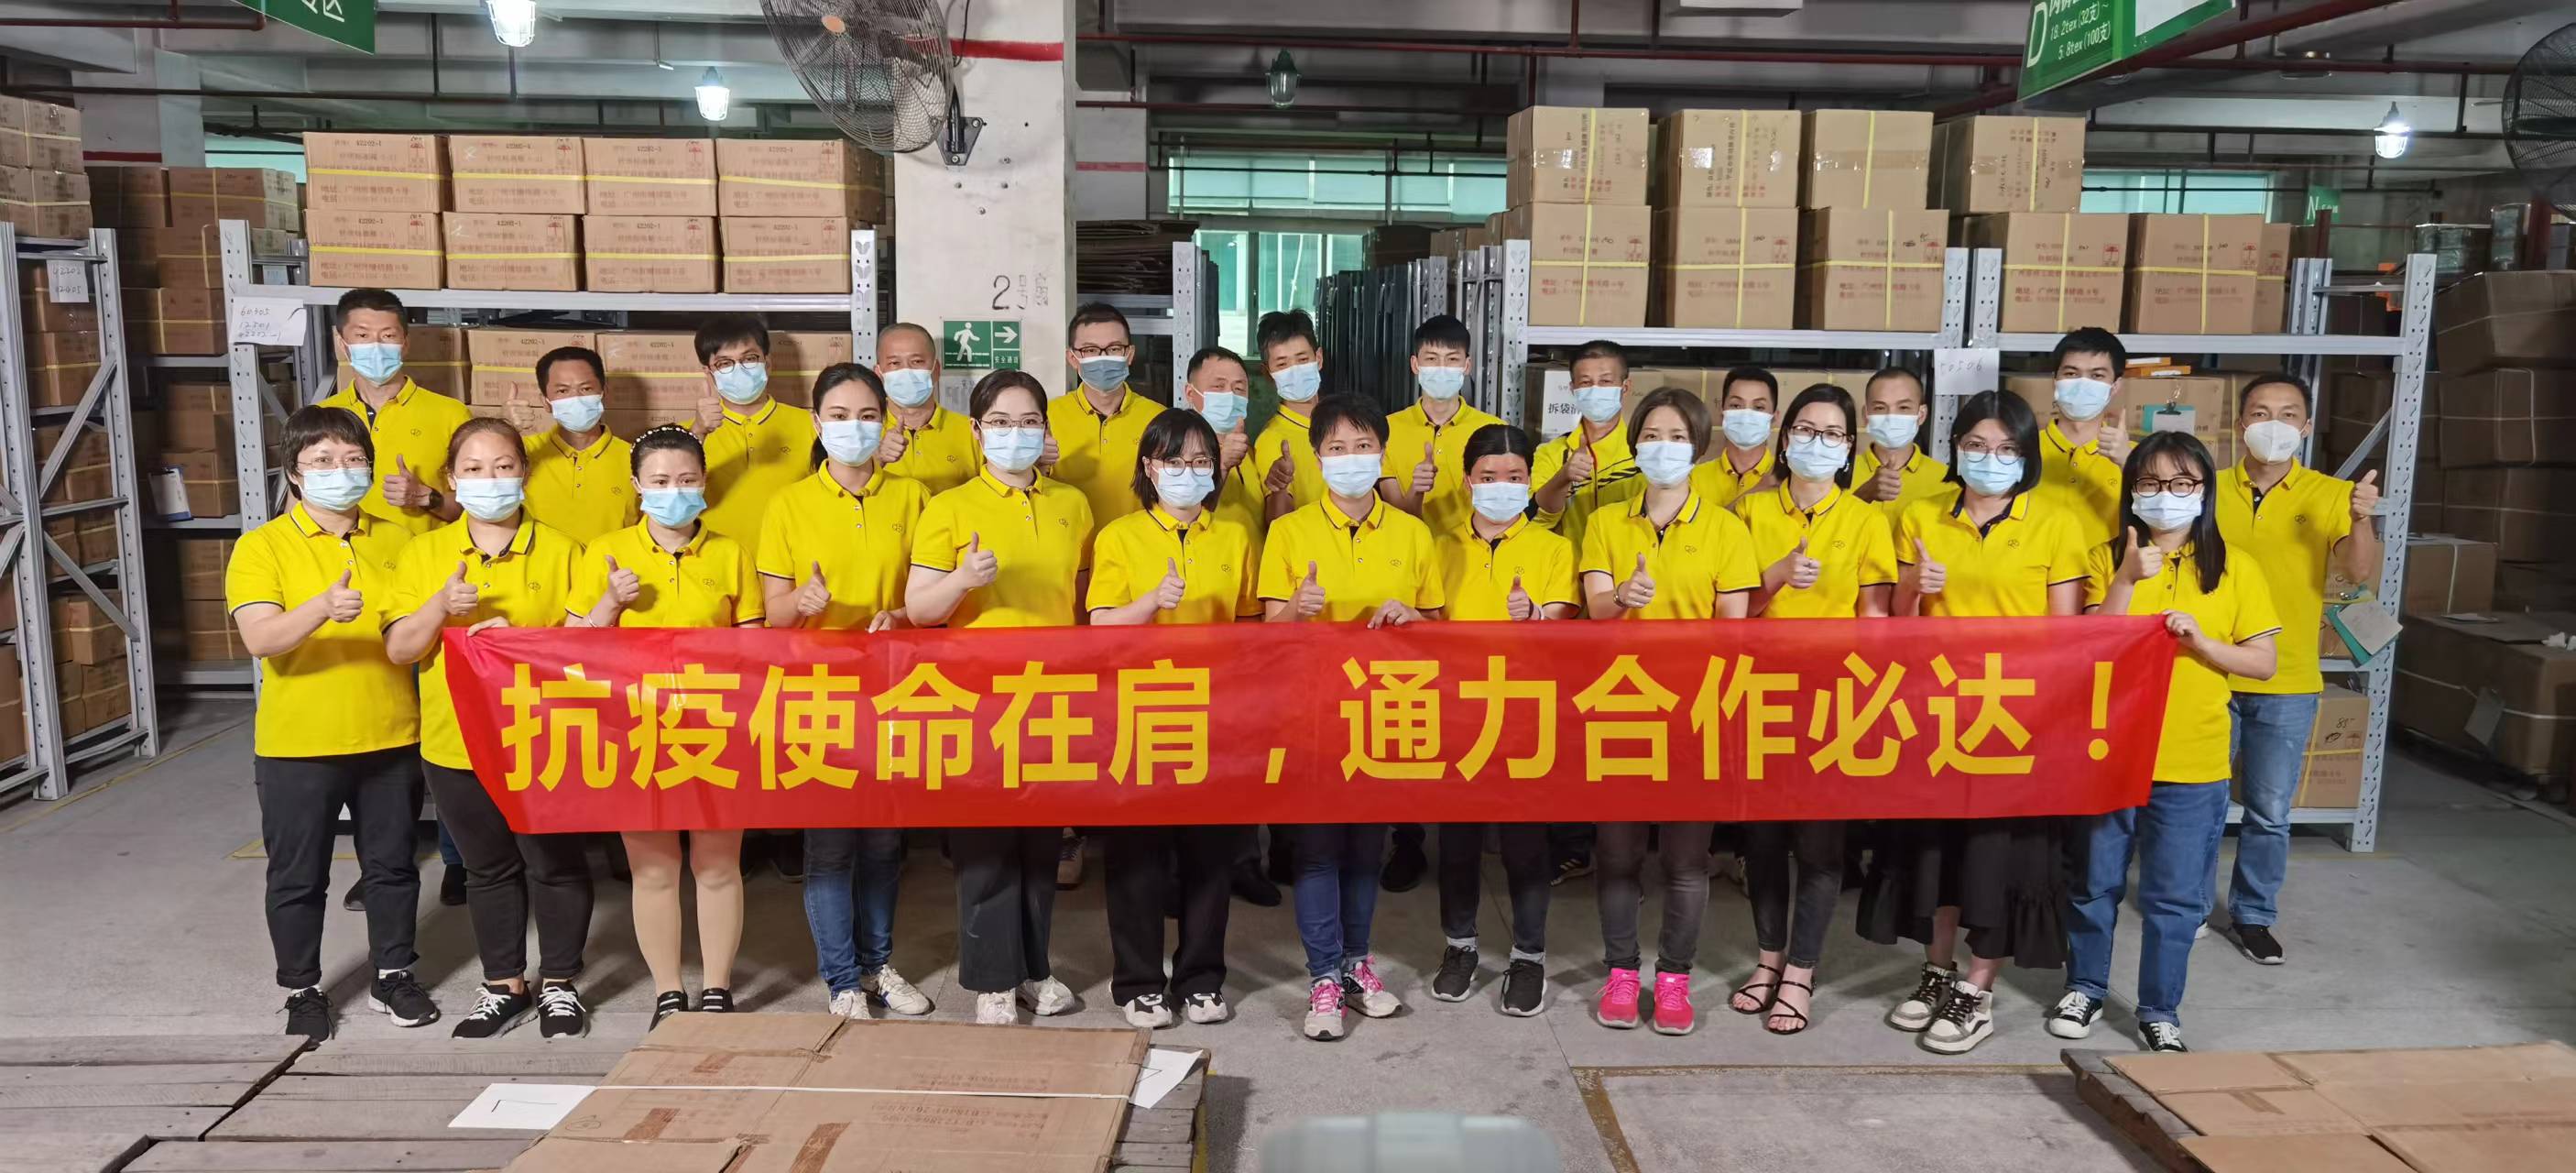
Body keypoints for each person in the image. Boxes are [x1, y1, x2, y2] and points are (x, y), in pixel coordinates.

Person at [1862, 390, 2088, 1057]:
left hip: (2015, 718)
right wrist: (1915, 587)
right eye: (1977, 446)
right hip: (1935, 713)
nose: (1992, 459)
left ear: (2027, 455)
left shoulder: (2057, 523)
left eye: (2008, 449)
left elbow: (2067, 634)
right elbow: (1896, 623)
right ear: (1955, 449)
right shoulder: (1920, 516)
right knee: (1937, 850)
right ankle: (1937, 969)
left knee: (1998, 856)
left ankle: (1978, 989)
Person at [2058, 432, 2281, 1054]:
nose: (2167, 495)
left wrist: (2203, 643)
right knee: (2094, 883)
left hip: (2193, 758)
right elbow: (2084, 649)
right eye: (2152, 483)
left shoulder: (2235, 567)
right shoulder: (2105, 558)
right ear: (2132, 490)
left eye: (2183, 483)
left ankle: (2160, 1009)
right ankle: (2084, 987)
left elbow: (2263, 663)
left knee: (2175, 898)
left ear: (2204, 491)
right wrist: (2127, 581)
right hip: (2108, 755)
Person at [226, 405, 437, 1043]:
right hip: (299, 745)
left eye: (352, 459)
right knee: (298, 875)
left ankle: (393, 975)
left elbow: (412, 630)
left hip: (391, 734)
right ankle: (302, 989)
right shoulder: (262, 547)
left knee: (392, 868)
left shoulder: (398, 540)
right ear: (294, 473)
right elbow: (261, 638)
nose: (340, 471)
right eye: (322, 460)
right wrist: (319, 607)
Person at [382, 418, 592, 1040]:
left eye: (503, 466)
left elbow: (587, 651)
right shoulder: (424, 554)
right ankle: (504, 984)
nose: (490, 480)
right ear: (451, 480)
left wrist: (522, 643)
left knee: (554, 863)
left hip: (545, 738)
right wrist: (440, 607)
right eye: (473, 469)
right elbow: (400, 648)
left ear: (524, 473)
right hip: (457, 741)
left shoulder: (564, 551)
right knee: (488, 868)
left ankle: (560, 983)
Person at [905, 370, 1096, 1025]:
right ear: (977, 430)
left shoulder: (1072, 503)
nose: (1017, 434)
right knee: (986, 844)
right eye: (1002, 423)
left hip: (1051, 693)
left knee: (1042, 844)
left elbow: (1079, 599)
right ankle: (991, 978)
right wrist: (962, 578)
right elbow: (919, 609)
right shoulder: (950, 508)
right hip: (976, 697)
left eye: (1030, 422)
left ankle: (1036, 969)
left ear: (1046, 429)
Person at [1256, 393, 1444, 1041]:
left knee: (1367, 849)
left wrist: (1414, 617)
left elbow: (1438, 625)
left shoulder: (1413, 533)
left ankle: (1357, 962)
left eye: (1363, 446)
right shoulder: (1289, 531)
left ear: (1382, 454)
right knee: (1316, 852)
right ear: (1318, 458)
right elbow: (1266, 635)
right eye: (1337, 448)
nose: (1351, 458)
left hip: (1384, 710)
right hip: (1310, 712)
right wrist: (1297, 609)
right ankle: (1323, 978)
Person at [754, 364, 937, 1023]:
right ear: (816, 422)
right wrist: (800, 603)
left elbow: (930, 596)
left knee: (884, 843)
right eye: (838, 415)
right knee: (831, 846)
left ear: (885, 422)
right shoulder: (788, 504)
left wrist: (904, 616)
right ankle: (841, 980)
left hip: (894, 689)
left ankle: (877, 964)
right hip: (819, 695)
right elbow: (771, 614)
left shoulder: (914, 497)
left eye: (866, 416)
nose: (853, 428)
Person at [1577, 387, 1760, 1037]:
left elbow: (1733, 631)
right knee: (1618, 854)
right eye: (1651, 436)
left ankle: (1675, 977)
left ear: (1699, 446)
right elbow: (1596, 609)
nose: (1663, 448)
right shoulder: (1606, 522)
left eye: (1677, 437)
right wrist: (1624, 597)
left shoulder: (1726, 530)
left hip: (1696, 715)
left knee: (1685, 861)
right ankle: (1622, 972)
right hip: (1621, 710)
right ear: (1634, 447)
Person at [568, 425, 765, 1025]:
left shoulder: (731, 554)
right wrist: (610, 604)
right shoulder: (605, 551)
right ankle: (668, 992)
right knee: (653, 869)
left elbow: (754, 648)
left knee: (717, 865)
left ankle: (718, 988)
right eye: (659, 481)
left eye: (686, 479)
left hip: (716, 729)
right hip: (636, 733)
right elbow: (569, 650)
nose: (673, 491)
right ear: (636, 485)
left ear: (704, 483)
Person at [1726, 385, 1895, 1037]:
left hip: (1833, 700)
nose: (1816, 443)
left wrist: (1863, 696)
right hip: (1758, 695)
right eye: (1804, 429)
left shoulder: (1865, 521)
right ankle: (1768, 959)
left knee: (1821, 846)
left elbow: (1875, 618)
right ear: (1784, 436)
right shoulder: (1749, 511)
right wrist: (1775, 575)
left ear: (1849, 447)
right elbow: (1731, 611)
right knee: (1763, 842)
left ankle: (1801, 970)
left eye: (1831, 434)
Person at [1088, 410, 1263, 1029]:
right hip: (1138, 714)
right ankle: (1138, 982)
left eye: (1200, 461)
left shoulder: (1235, 536)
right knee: (1136, 855)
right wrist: (1149, 604)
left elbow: (1251, 627)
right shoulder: (1119, 537)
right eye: (1173, 461)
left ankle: (1201, 978)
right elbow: (1099, 626)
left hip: (1214, 717)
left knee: (1210, 855)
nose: (1188, 472)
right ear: (1149, 467)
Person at [2213, 373, 2380, 966]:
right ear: (2240, 424)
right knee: (2200, 804)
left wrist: (2361, 518)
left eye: (2288, 414)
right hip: (2209, 669)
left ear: (2306, 427)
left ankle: (2254, 916)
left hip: (2287, 679)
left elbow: (2358, 572)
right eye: (2261, 412)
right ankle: (2189, 904)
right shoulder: (2207, 487)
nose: (2273, 425)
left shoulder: (2331, 494)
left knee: (2269, 811)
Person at [1427, 422, 1577, 1017]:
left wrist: (1534, 615)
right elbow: (1425, 626)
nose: (1501, 486)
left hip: (1525, 715)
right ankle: (1460, 946)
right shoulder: (1439, 546)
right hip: (1457, 715)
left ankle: (1528, 955)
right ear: (1468, 482)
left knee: (1525, 846)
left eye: (1515, 477)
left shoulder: (1553, 548)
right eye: (1489, 476)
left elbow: (1565, 633)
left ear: (1530, 482)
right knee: (1457, 844)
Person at [1376, 313, 1501, 892]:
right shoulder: (1389, 430)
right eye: (1432, 359)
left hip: (1475, 578)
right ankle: (1407, 839)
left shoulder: (1492, 430)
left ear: (1468, 366)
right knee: (1411, 711)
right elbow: (1389, 515)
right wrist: (1414, 495)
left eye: (1453, 360)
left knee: (1470, 707)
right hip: (1411, 581)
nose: (1442, 369)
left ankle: (1467, 825)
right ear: (1414, 365)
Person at [316, 289, 470, 537]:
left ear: (405, 344)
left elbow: (477, 508)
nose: (376, 347)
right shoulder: (321, 417)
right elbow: (298, 504)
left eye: (388, 336)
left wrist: (427, 497)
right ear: (342, 344)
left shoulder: (451, 414)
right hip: (342, 558)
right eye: (362, 335)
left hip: (421, 557)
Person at [694, 312, 821, 547]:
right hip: (714, 563)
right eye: (725, 363)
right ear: (708, 373)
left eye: (750, 359)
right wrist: (698, 433)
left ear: (768, 364)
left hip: (790, 562)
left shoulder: (812, 426)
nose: (740, 369)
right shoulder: (687, 436)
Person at [510, 345, 638, 546]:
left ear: (604, 393)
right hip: (540, 566)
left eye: (586, 389)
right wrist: (505, 427)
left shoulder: (636, 458)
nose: (576, 398)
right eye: (562, 391)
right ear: (545, 402)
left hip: (611, 566)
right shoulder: (521, 452)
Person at [1053, 301, 1165, 528]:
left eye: (1114, 349)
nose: (1103, 358)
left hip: (1136, 546)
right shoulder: (1045, 417)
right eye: (1091, 350)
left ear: (1129, 354)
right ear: (1073, 358)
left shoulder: (1159, 419)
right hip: (1069, 548)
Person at [2034, 326, 2129, 548]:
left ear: (2115, 386)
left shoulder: (2137, 457)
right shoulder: (2020, 449)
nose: (2082, 384)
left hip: (2107, 570)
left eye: (2097, 376)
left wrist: (2129, 463)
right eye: (2071, 374)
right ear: (2055, 380)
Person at [875, 322, 980, 496]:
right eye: (894, 363)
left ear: (936, 370)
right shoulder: (864, 432)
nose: (906, 371)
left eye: (917, 361)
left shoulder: (972, 432)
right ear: (879, 374)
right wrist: (877, 459)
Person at [1250, 308, 1328, 520]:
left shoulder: (1341, 423)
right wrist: (1279, 489)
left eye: (1302, 360)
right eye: (1282, 364)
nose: (1295, 371)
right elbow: (1279, 522)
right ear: (1268, 373)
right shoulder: (1272, 440)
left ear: (1319, 358)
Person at [1852, 366, 1950, 521]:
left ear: (1921, 415)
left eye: (1903, 407)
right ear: (1866, 415)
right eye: (1880, 408)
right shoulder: (1840, 473)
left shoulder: (1946, 480)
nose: (1891, 417)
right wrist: (1863, 495)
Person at [1689, 366, 1780, 509]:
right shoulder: (1694, 478)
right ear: (1722, 411)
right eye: (1736, 405)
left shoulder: (1786, 478)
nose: (1746, 415)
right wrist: (1758, 489)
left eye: (1758, 407)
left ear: (1775, 417)